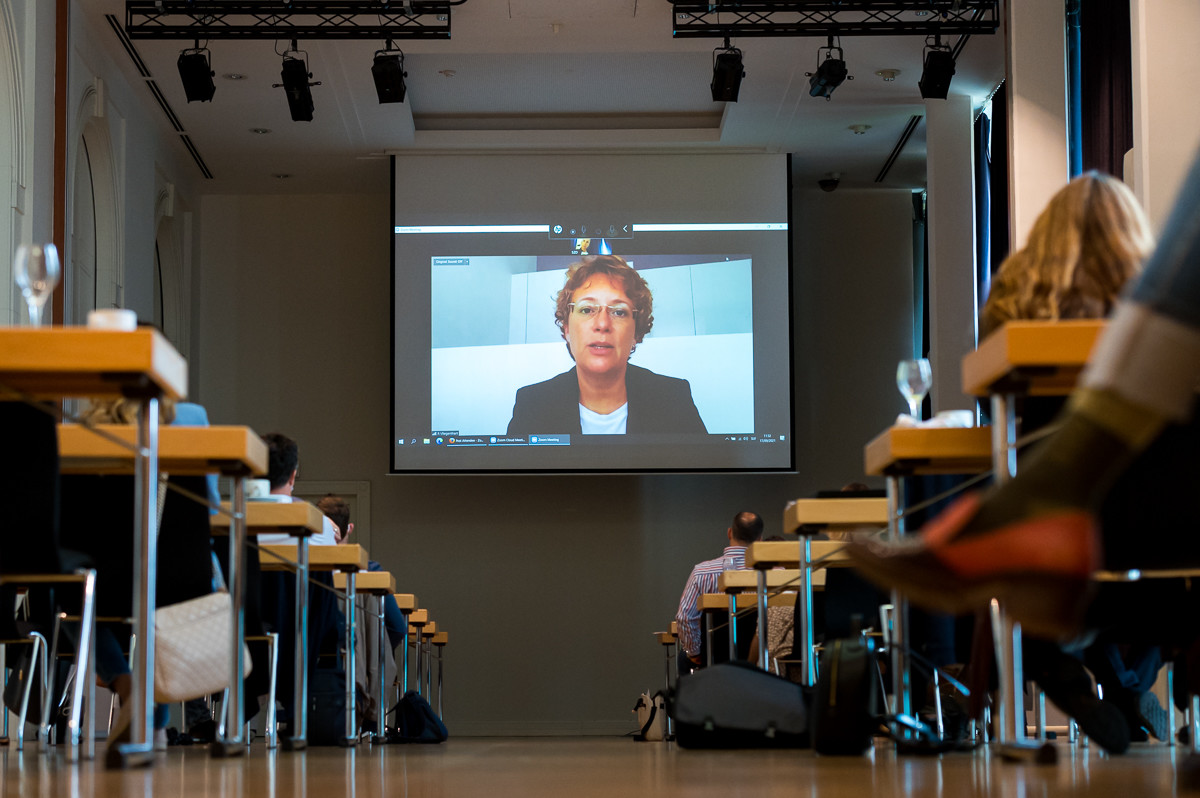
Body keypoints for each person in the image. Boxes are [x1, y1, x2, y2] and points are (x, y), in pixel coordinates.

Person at [847, 151, 1200, 649]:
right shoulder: (1168, 314)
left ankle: (1036, 513)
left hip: (1097, 519)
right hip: (1169, 507)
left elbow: (992, 405)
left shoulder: (1014, 301)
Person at [506, 255, 707, 435]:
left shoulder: (673, 398)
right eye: (587, 310)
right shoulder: (532, 403)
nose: (602, 324)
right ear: (567, 328)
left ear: (636, 332)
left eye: (619, 312)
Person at [674, 511, 763, 675]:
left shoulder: (702, 572)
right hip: (760, 660)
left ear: (729, 533)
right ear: (760, 539)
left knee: (683, 657)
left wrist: (695, 652)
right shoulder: (775, 574)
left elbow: (684, 617)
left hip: (714, 658)